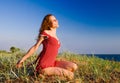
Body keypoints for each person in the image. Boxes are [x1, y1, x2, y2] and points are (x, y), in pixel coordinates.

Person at [16, 14, 78, 80]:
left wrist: (34, 62)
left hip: (53, 63)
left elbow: (48, 51)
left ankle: (45, 75)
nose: (57, 21)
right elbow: (35, 47)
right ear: (48, 24)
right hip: (44, 65)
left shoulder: (55, 36)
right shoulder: (45, 33)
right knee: (71, 75)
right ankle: (41, 75)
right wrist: (22, 60)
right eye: (54, 20)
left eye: (56, 19)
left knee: (74, 66)